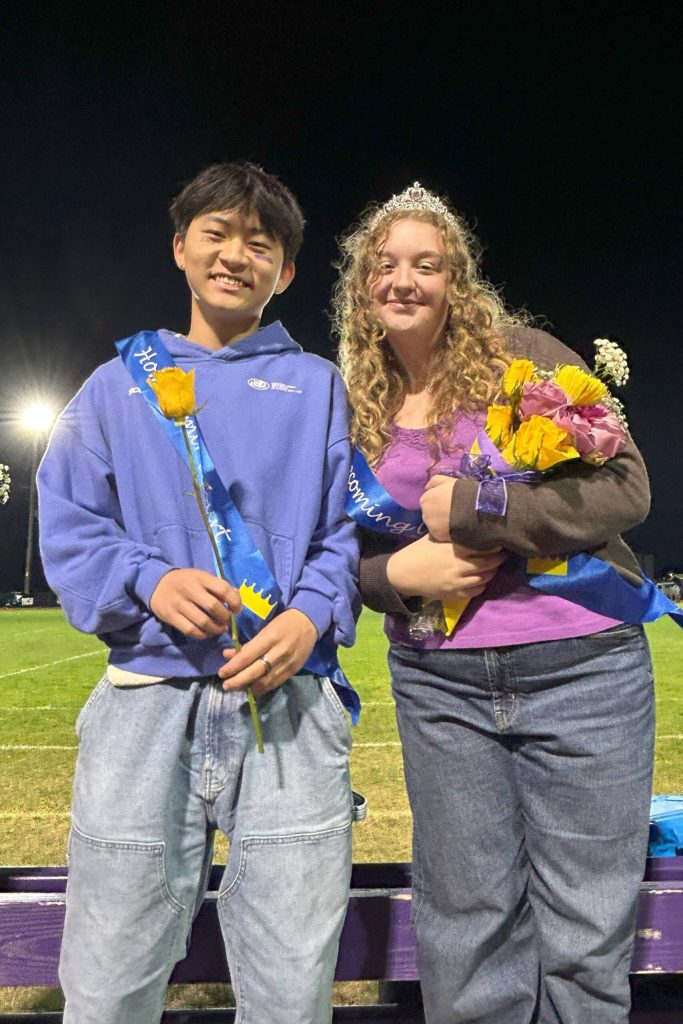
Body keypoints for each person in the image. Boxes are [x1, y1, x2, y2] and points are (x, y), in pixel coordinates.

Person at [38, 162, 360, 1024]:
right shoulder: (114, 387)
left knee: (293, 989)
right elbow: (68, 523)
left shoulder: (320, 386)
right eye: (215, 234)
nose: (235, 256)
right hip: (145, 705)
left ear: (285, 271)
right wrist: (149, 577)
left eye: (261, 244)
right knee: (107, 984)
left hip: (288, 704)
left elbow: (342, 536)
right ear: (180, 246)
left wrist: (310, 615)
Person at [333, 182, 654, 1024]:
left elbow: (626, 489)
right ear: (360, 286)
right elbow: (337, 557)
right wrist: (394, 579)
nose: (404, 281)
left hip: (584, 669)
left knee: (586, 934)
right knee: (467, 931)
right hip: (441, 689)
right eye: (385, 265)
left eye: (426, 265)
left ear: (457, 280)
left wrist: (484, 512)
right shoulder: (349, 404)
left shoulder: (528, 355)